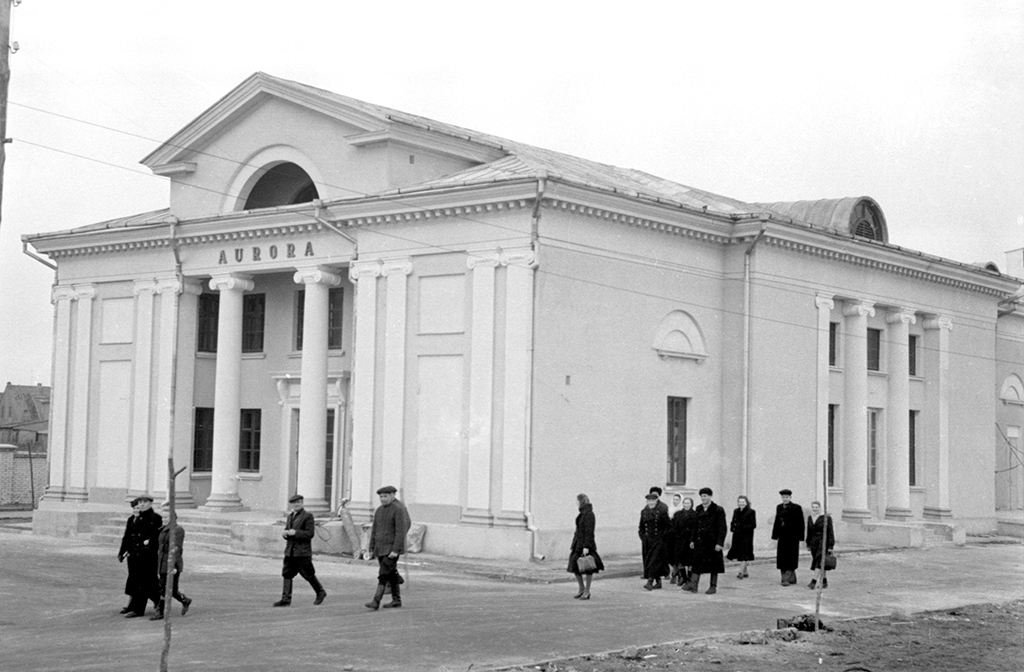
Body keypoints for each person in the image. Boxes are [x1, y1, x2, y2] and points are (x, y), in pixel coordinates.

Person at [272, 494, 327, 607]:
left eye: (298, 502)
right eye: (294, 503)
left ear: (302, 503)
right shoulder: (290, 516)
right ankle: (286, 599)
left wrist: (295, 533)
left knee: (308, 574)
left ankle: (320, 592)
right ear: (291, 505)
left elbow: (309, 534)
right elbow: (288, 530)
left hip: (302, 552)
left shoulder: (308, 516)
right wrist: (285, 534)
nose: (296, 505)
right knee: (287, 574)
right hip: (290, 551)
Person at [365, 485, 411, 610]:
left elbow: (401, 531)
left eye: (385, 496)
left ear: (393, 495)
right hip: (380, 548)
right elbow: (374, 529)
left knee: (383, 573)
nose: (383, 499)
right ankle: (396, 600)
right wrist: (371, 547)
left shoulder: (399, 509)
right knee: (390, 573)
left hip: (391, 549)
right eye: (381, 497)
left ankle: (376, 601)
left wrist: (395, 550)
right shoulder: (379, 510)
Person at [117, 494, 162, 618]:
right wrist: (122, 552)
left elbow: (156, 537)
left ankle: (140, 608)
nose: (142, 504)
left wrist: (146, 545)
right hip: (134, 556)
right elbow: (127, 536)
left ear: (150, 503)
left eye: (145, 502)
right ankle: (142, 606)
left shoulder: (155, 518)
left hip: (147, 556)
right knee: (138, 582)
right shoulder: (134, 518)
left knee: (148, 582)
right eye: (140, 502)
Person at [149, 503, 192, 620]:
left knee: (164, 588)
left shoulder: (177, 530)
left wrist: (173, 566)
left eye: (166, 518)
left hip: (171, 564)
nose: (163, 520)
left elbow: (177, 549)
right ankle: (185, 600)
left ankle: (160, 611)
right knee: (170, 589)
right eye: (163, 517)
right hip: (162, 563)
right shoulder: (163, 530)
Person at [683, 487, 727, 595]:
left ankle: (713, 586)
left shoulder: (718, 510)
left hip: (712, 543)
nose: (703, 498)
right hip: (700, 542)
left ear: (710, 496)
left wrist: (719, 543)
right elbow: (695, 526)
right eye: (702, 496)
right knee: (696, 563)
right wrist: (692, 540)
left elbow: (722, 528)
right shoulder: (698, 509)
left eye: (705, 496)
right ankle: (693, 585)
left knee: (714, 566)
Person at [567, 493, 604, 600]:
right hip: (577, 544)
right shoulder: (582, 513)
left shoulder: (589, 514)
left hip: (585, 545)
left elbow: (589, 531)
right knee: (574, 565)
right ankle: (581, 589)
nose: (576, 503)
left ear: (581, 501)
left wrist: (586, 546)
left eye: (577, 501)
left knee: (588, 567)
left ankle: (587, 591)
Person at [771, 488, 805, 586]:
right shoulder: (779, 507)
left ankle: (785, 578)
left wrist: (800, 537)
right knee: (782, 557)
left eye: (787, 497)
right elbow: (777, 521)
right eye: (783, 497)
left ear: (790, 497)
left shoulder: (796, 507)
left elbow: (800, 523)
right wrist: (775, 535)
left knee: (791, 557)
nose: (785, 499)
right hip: (782, 537)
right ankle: (791, 578)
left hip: (792, 537)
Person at [638, 490, 670, 590]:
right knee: (650, 561)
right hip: (647, 540)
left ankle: (650, 582)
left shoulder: (661, 512)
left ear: (656, 501)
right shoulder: (644, 512)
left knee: (653, 561)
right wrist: (643, 537)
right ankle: (658, 582)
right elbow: (641, 527)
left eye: (653, 500)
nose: (651, 503)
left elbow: (668, 526)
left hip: (658, 540)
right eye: (649, 501)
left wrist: (662, 537)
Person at [805, 501, 835, 589]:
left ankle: (813, 582)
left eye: (816, 507)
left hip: (823, 541)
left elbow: (830, 532)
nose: (814, 509)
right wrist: (808, 544)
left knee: (819, 561)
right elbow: (809, 531)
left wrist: (830, 546)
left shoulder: (826, 518)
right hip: (814, 543)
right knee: (821, 562)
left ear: (820, 508)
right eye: (813, 507)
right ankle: (824, 581)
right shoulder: (810, 518)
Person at [726, 495, 756, 579]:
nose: (741, 504)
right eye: (739, 502)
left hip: (746, 536)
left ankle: (741, 572)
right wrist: (733, 528)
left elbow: (753, 524)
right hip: (737, 535)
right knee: (740, 553)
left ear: (746, 503)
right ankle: (745, 571)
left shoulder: (751, 512)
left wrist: (743, 527)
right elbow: (733, 521)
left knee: (744, 553)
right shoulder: (736, 511)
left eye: (743, 502)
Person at [672, 496, 696, 588]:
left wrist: (692, 540)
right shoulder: (678, 514)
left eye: (688, 503)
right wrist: (677, 537)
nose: (686, 505)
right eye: (685, 503)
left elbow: (695, 528)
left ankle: (689, 578)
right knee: (680, 560)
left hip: (690, 541)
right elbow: (674, 527)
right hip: (680, 540)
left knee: (690, 561)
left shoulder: (695, 515)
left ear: (691, 504)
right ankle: (683, 577)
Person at [666, 493, 682, 584]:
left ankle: (677, 575)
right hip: (670, 537)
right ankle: (674, 572)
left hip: (678, 537)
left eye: (677, 499)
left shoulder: (681, 511)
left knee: (678, 557)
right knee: (670, 557)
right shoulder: (669, 510)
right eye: (674, 499)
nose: (675, 501)